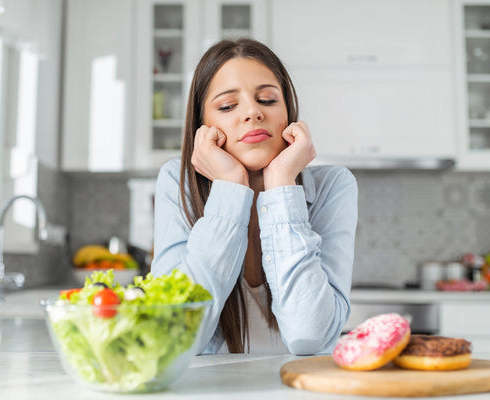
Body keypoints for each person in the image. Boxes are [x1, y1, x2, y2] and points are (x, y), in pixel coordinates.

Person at [151, 38, 358, 355]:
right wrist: (231, 187)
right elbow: (172, 337)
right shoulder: (175, 182)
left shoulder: (335, 185)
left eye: (267, 100)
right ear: (203, 126)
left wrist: (281, 184)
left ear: (288, 113)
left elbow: (310, 336)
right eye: (227, 106)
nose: (252, 112)